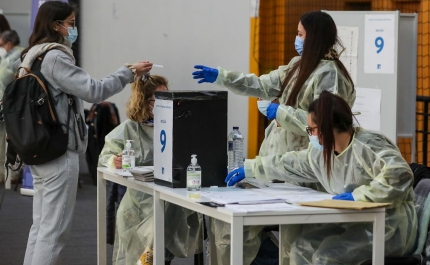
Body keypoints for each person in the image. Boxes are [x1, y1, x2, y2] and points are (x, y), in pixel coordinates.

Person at [192, 11, 356, 265]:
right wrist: (222, 76)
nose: (296, 39)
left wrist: (280, 111)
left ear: (314, 37)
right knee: (234, 227)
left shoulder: (330, 75)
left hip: (305, 170)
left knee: (294, 245)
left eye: (300, 34)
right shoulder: (297, 65)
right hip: (276, 167)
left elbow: (326, 123)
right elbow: (261, 84)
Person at [19, 2, 153, 265]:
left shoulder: (31, 55)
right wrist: (129, 72)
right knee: (54, 232)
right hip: (58, 152)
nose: (73, 29)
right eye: (70, 23)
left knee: (41, 228)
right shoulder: (55, 57)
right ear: (55, 25)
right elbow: (93, 90)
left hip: (38, 148)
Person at [226, 91, 418, 265]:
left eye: (312, 130)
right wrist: (252, 167)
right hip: (356, 223)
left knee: (325, 257)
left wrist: (360, 196)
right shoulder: (323, 154)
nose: (310, 135)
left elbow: (400, 173)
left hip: (390, 228)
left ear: (327, 126)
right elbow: (292, 163)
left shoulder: (368, 146)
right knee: (301, 248)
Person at [99, 75, 203, 265]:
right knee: (145, 243)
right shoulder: (130, 129)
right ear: (145, 102)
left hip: (171, 203)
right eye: (160, 100)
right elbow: (105, 156)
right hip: (138, 203)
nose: (166, 104)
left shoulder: (178, 126)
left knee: (159, 232)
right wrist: (115, 161)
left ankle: (150, 256)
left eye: (168, 98)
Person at [0, 30, 24, 183]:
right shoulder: (8, 56)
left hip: (13, 106)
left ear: (9, 43)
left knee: (11, 141)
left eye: (1, 44)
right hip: (5, 105)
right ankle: (4, 174)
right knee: (3, 141)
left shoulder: (19, 56)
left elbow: (5, 77)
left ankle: (13, 174)